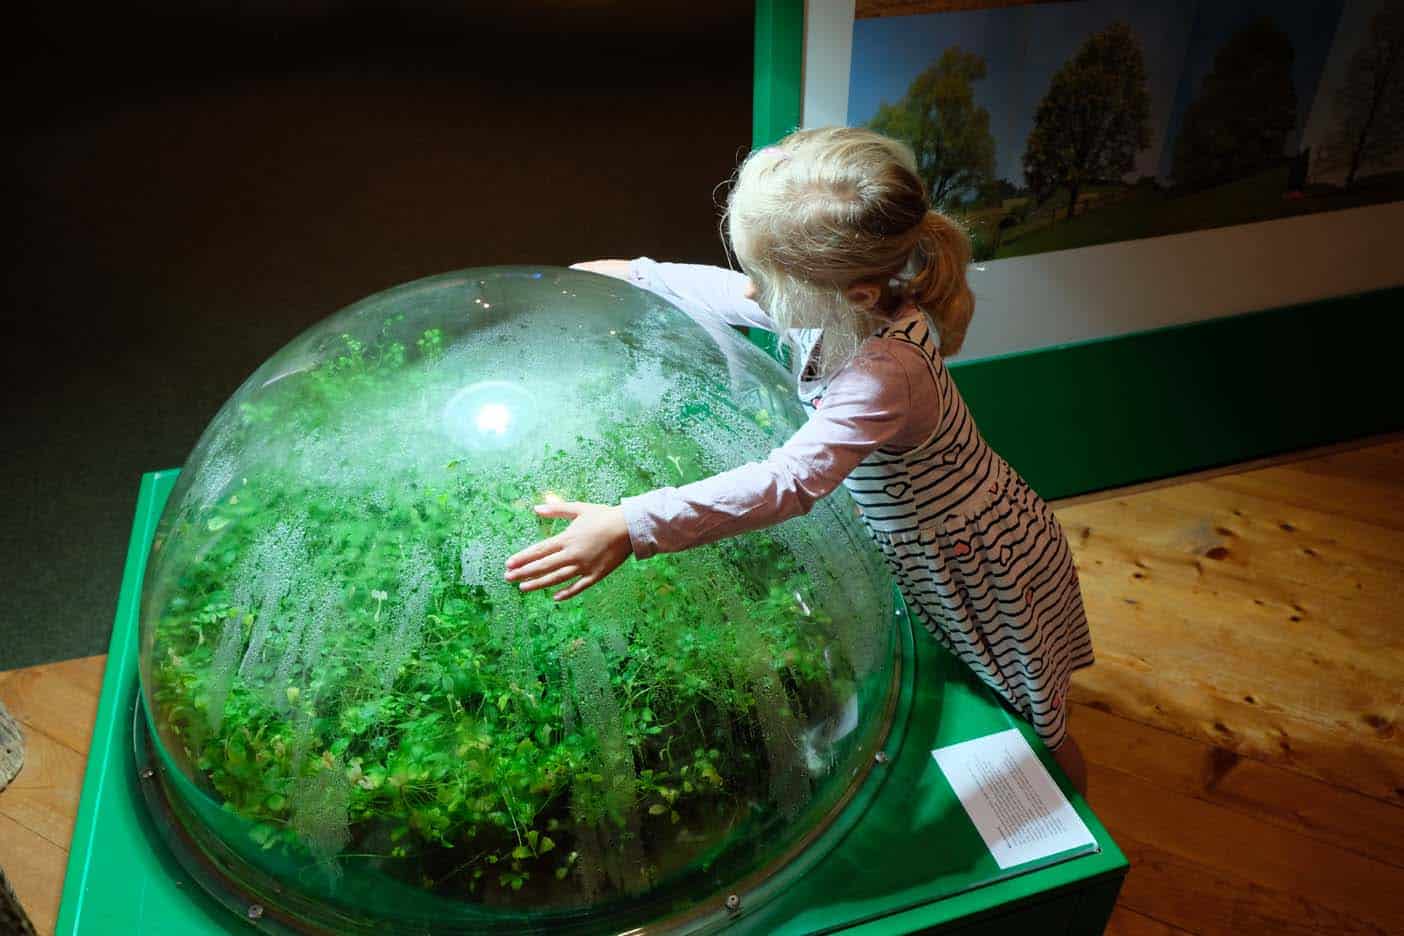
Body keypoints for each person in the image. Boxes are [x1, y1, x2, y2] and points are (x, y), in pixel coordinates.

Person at [505, 127, 1093, 793]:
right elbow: (729, 294)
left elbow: (788, 482)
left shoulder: (883, 373)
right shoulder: (852, 299)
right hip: (931, 535)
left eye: (767, 279)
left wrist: (631, 523)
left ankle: (1064, 802)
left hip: (967, 556)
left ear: (856, 294)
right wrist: (636, 278)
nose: (754, 293)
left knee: (1028, 714)